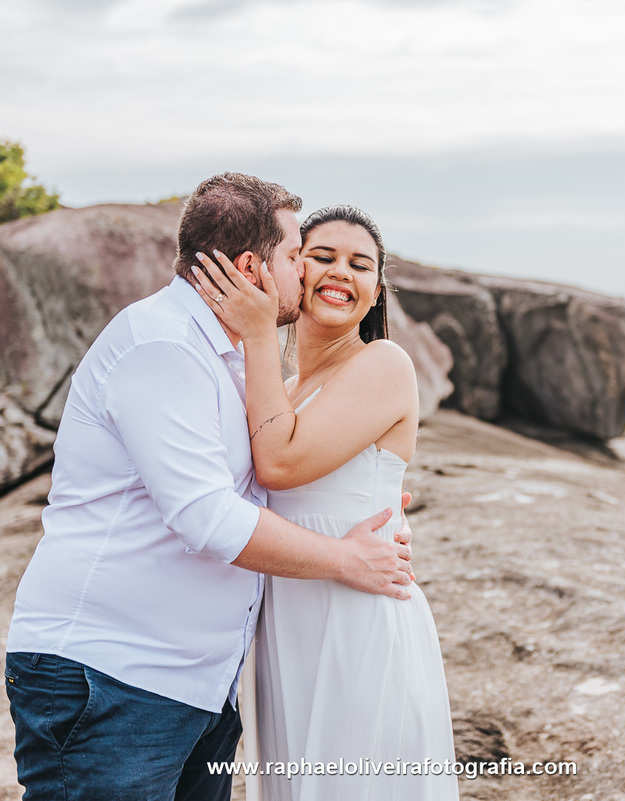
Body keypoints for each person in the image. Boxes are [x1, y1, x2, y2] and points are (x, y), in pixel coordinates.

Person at [3, 175, 416, 801]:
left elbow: (273, 473)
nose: (304, 273)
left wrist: (370, 501)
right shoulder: (164, 345)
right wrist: (344, 556)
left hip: (194, 687)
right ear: (253, 266)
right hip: (113, 677)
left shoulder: (228, 358)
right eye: (296, 256)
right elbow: (207, 515)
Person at [191, 204, 460, 800]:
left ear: (375, 293)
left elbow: (281, 465)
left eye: (361, 264)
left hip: (356, 616)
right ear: (291, 272)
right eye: (321, 256)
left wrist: (259, 331)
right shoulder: (282, 392)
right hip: (286, 620)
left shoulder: (385, 363)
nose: (342, 272)